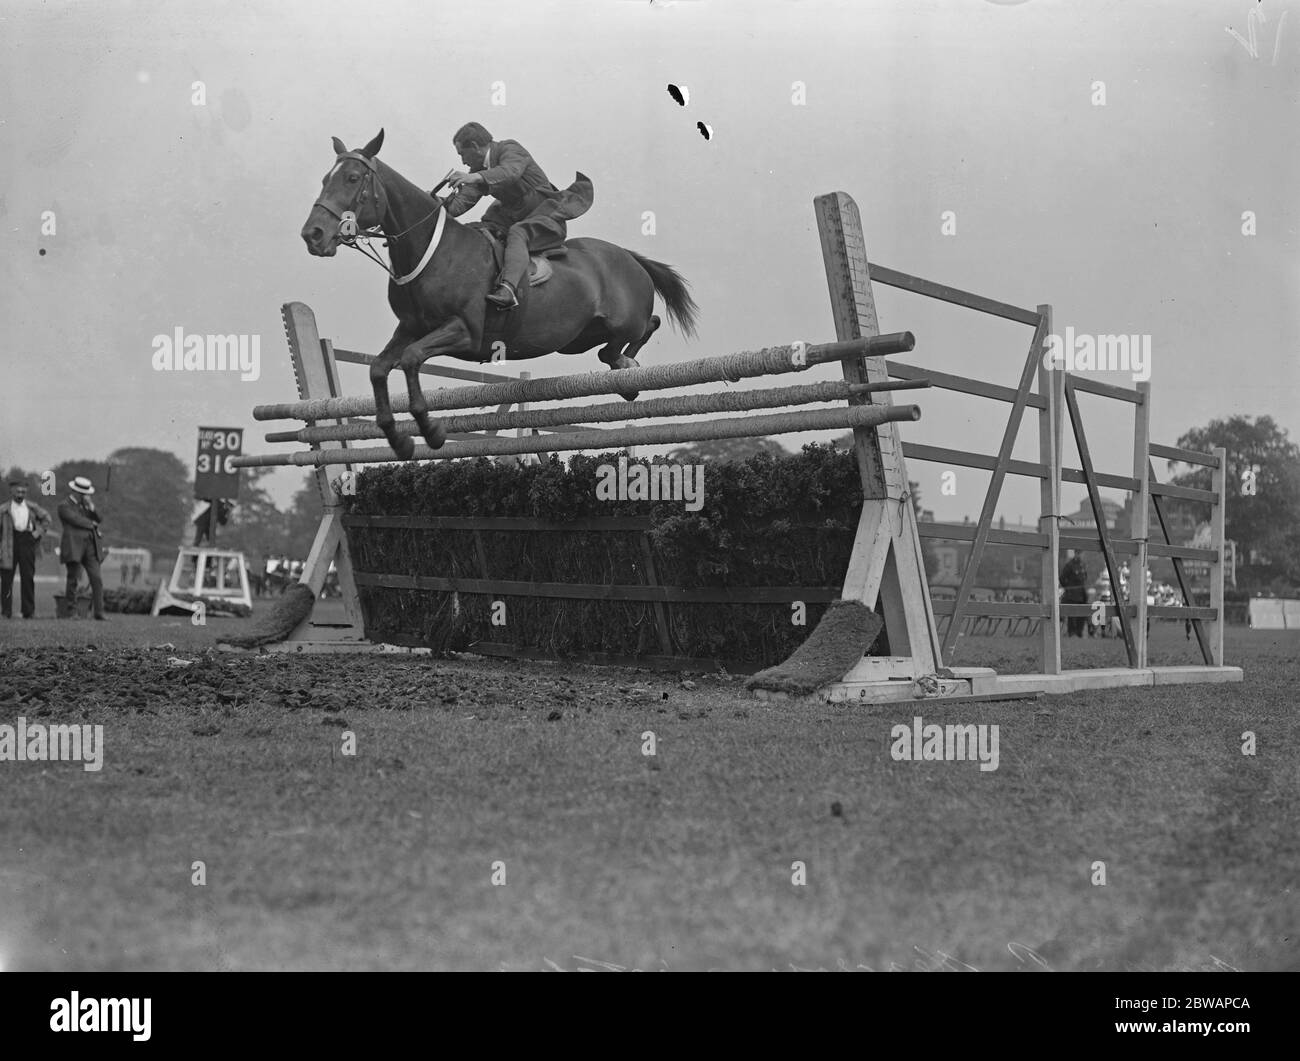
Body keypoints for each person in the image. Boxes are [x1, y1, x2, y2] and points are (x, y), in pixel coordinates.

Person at [440, 122, 594, 309]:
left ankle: (508, 290)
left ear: (474, 146)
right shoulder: (478, 172)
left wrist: (473, 177)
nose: (463, 162)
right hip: (511, 217)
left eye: (462, 154)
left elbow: (510, 173)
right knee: (476, 230)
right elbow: (459, 205)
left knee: (518, 233)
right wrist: (432, 202)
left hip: (545, 216)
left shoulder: (510, 148)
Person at [1, 478, 52, 619]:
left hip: (27, 541)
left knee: (28, 577)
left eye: (23, 491)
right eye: (17, 491)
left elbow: (47, 518)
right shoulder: (4, 509)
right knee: (6, 578)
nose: (20, 494)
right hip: (10, 543)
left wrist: (38, 532)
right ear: (11, 491)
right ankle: (6, 611)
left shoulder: (31, 507)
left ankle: (28, 611)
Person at [58, 476, 107, 621]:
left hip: (90, 547)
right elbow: (74, 520)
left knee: (96, 578)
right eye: (84, 493)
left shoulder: (87, 506)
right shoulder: (64, 505)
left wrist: (92, 507)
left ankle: (99, 612)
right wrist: (91, 523)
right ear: (76, 492)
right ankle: (71, 612)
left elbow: (100, 518)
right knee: (73, 578)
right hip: (74, 546)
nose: (86, 496)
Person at [1060, 549, 1089, 637]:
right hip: (1072, 595)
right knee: (1072, 615)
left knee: (1082, 614)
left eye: (1082, 554)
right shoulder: (1069, 565)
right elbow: (1062, 578)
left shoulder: (1083, 565)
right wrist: (1068, 588)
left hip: (1081, 594)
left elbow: (1085, 577)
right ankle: (1071, 632)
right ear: (1076, 553)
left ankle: (1079, 632)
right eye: (1079, 553)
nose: (1081, 556)